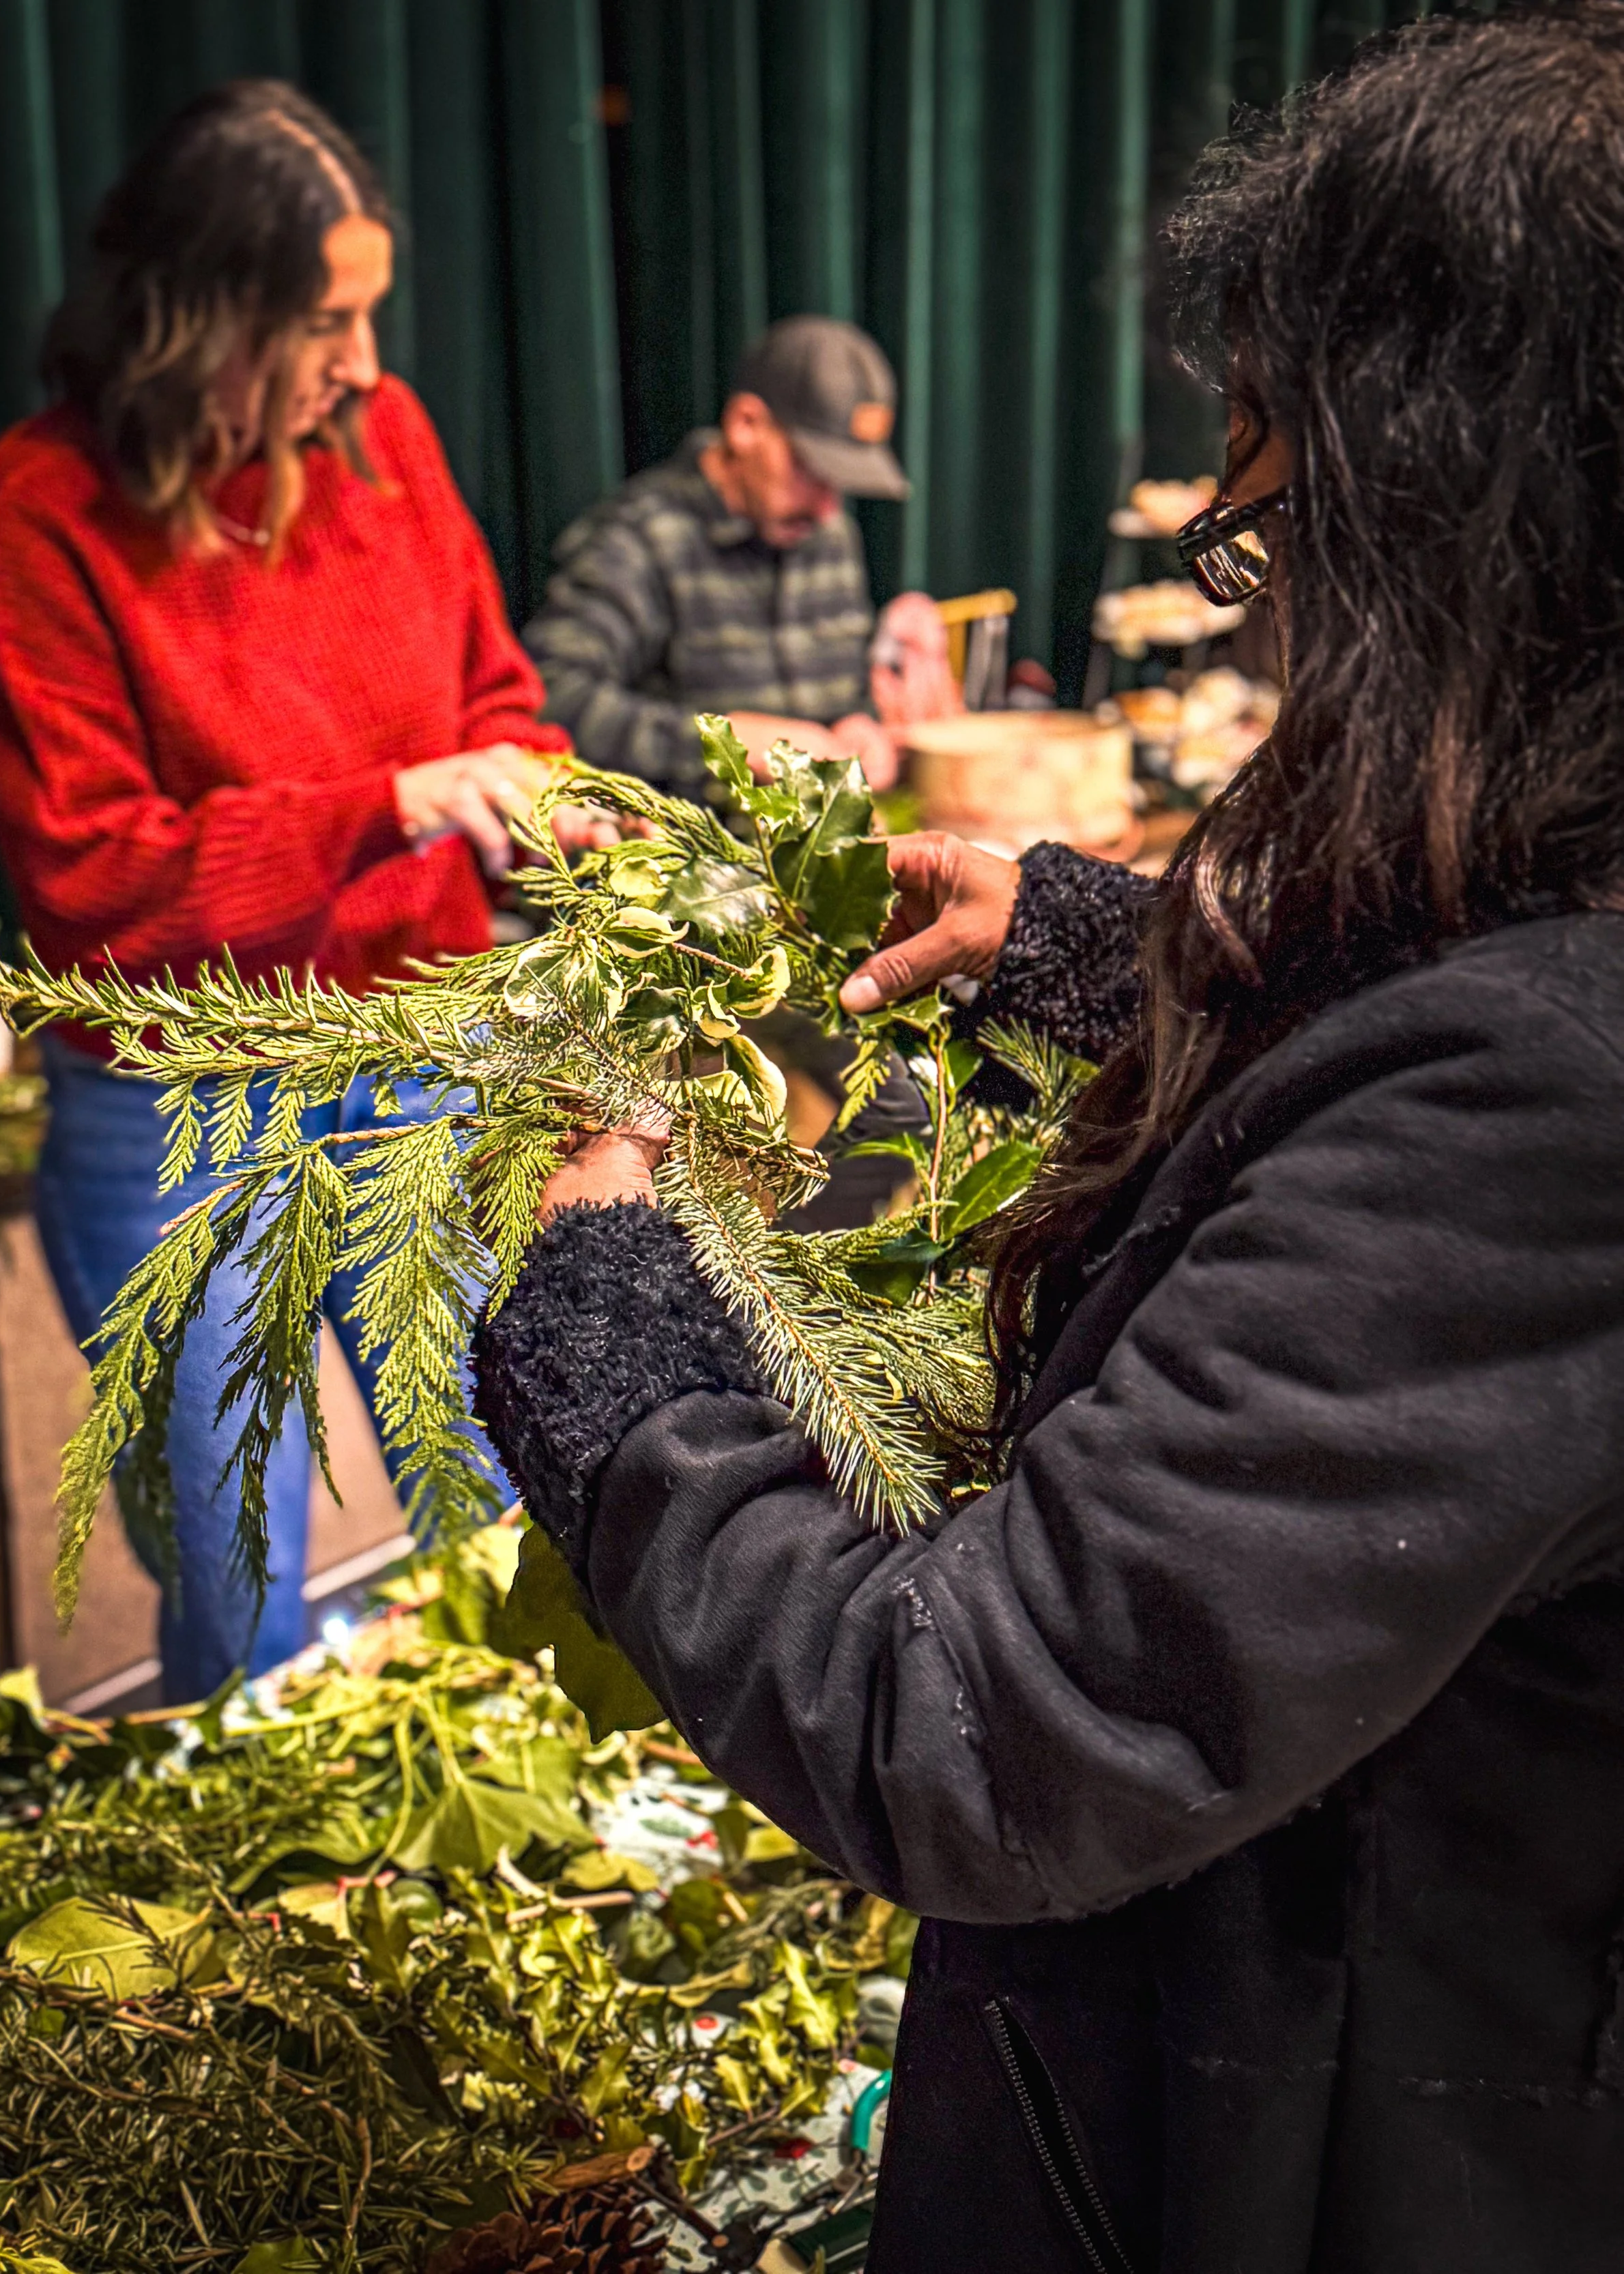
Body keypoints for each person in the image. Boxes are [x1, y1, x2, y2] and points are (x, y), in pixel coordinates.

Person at [472, 12, 1624, 2269]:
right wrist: (1138, 956)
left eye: (1266, 519)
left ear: (1459, 539)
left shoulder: (1548, 1118)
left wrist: (630, 1359)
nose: (1262, 590)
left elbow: (978, 1719)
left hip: (1352, 2149)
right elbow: (1452, 990)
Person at [0, 82, 604, 1702]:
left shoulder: (383, 445)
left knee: (493, 1503)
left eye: (370, 317)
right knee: (240, 1574)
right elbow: (94, 889)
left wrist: (532, 795)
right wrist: (385, 810)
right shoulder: (35, 511)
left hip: (414, 1060)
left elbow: (494, 702)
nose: (366, 367)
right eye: (325, 323)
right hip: (182, 1107)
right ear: (192, 320)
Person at [521, 315, 907, 799]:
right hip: (693, 859)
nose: (829, 506)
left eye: (842, 481)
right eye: (812, 468)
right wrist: (724, 742)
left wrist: (860, 725)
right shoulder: (642, 537)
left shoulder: (829, 533)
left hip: (822, 853)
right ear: (746, 425)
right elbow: (549, 697)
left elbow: (843, 694)